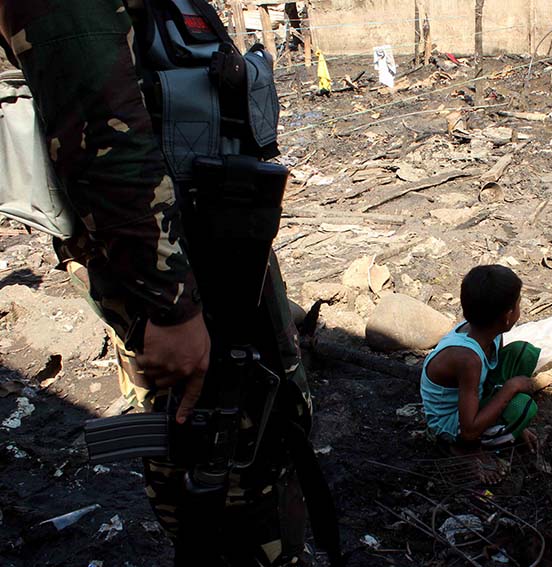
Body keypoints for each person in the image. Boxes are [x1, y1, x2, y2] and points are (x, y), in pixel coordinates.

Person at [0, 1, 323, 565]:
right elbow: (101, 130)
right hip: (174, 268)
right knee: (213, 445)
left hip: (214, 245)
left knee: (263, 421)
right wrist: (169, 304)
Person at [420, 265, 541, 482]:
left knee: (522, 353)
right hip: (451, 422)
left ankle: (498, 422)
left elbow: (488, 377)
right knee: (522, 408)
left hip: (470, 395)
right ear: (507, 317)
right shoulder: (468, 359)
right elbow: (468, 429)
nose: (519, 308)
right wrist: (510, 389)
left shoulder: (487, 331)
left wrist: (516, 426)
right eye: (518, 305)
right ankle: (464, 450)